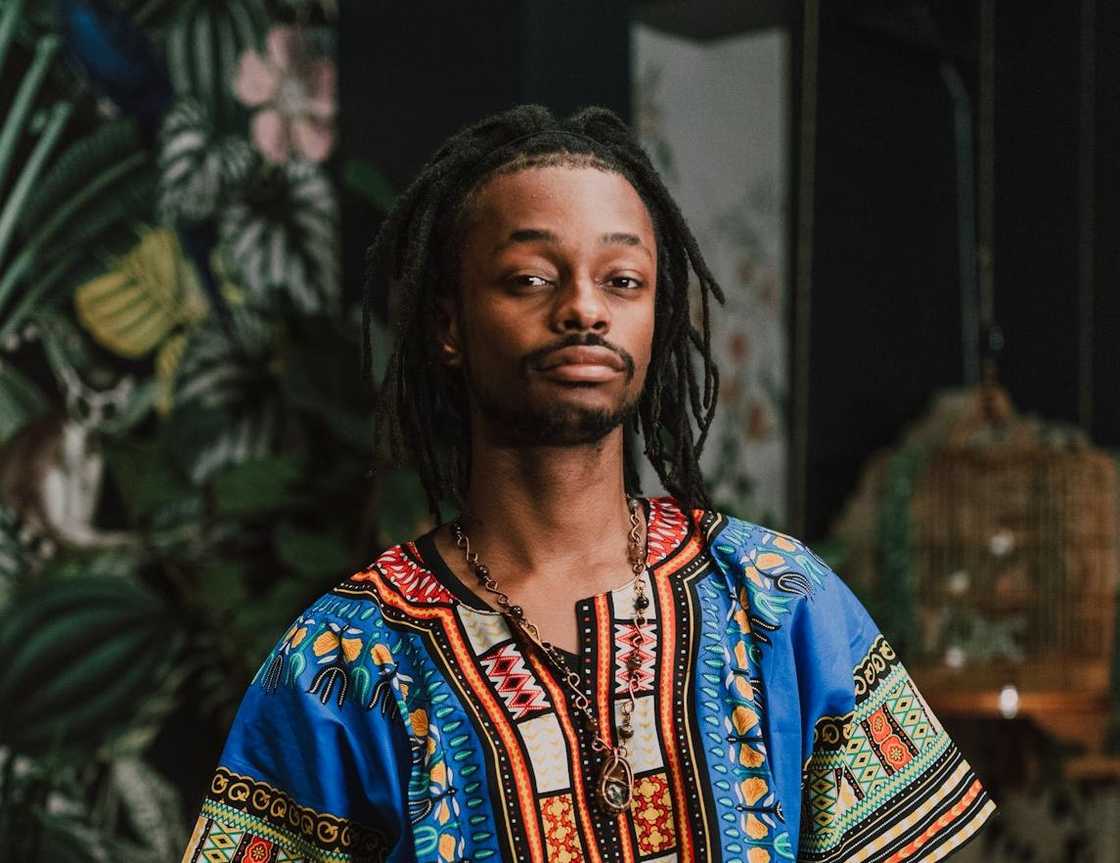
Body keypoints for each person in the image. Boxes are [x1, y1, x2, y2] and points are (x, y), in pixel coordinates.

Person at [182, 105, 994, 863]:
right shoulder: (347, 658)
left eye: (622, 280)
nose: (583, 308)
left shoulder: (779, 599)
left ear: (655, 315)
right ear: (448, 326)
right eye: (531, 278)